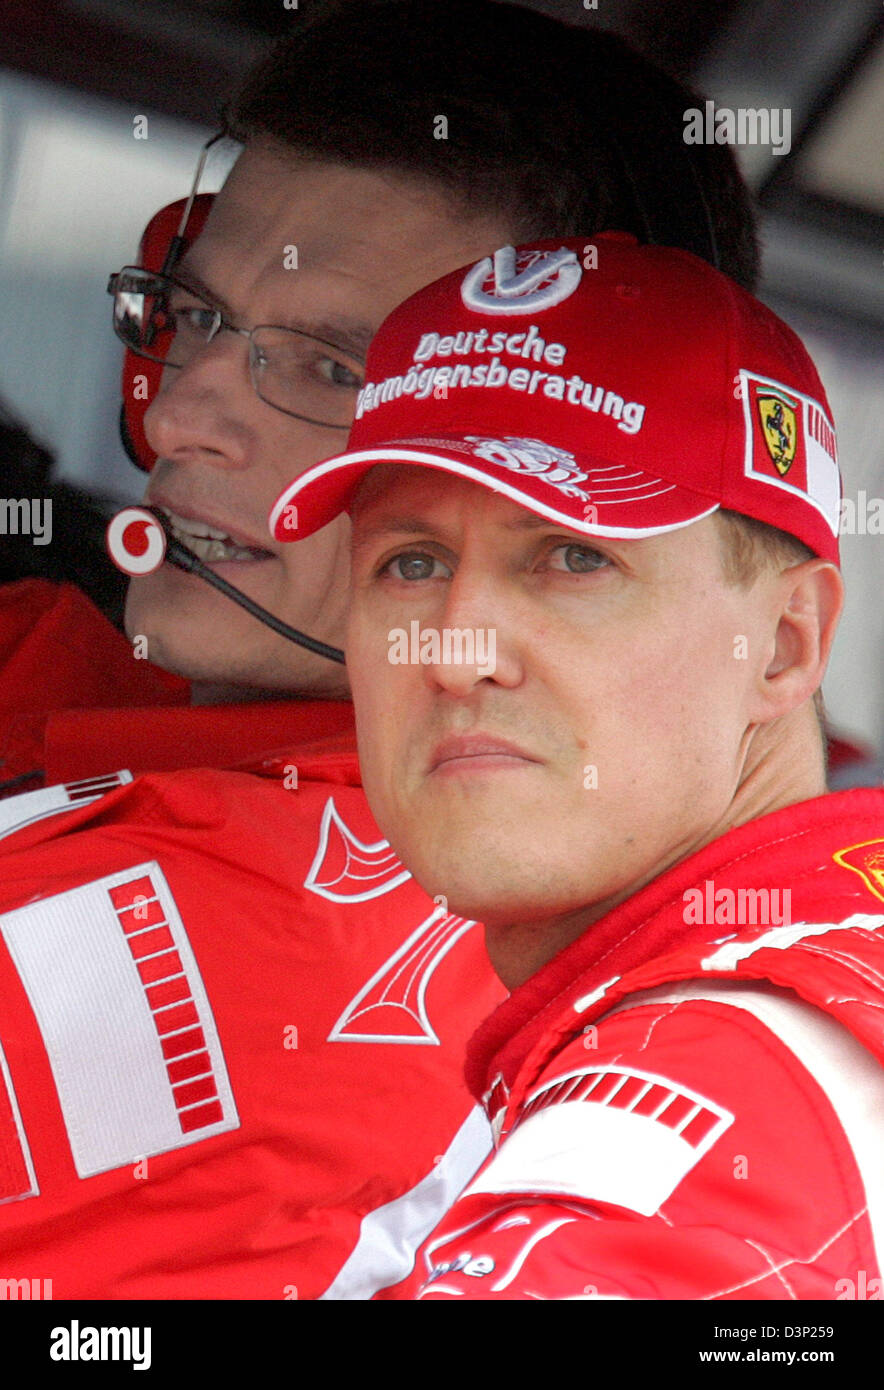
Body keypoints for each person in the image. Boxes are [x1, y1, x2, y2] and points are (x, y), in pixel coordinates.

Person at [0, 6, 759, 1299]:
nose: (182, 410)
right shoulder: (203, 722)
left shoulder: (238, 946)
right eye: (193, 313)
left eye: (328, 369)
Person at [275, 233, 884, 1300]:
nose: (457, 651)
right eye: (408, 563)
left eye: (571, 557)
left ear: (781, 645)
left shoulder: (688, 1121)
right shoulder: (827, 961)